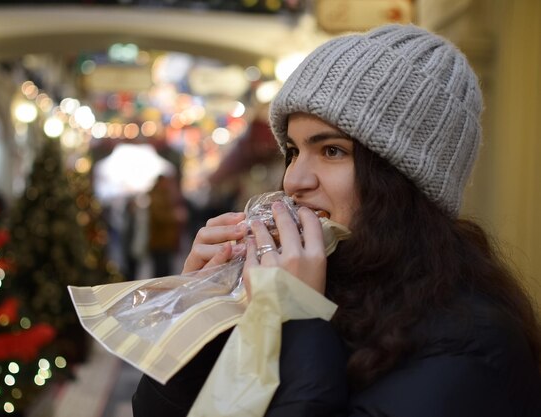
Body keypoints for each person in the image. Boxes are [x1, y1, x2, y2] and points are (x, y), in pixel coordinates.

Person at [132, 24, 541, 416]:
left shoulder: (472, 341)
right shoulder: (324, 279)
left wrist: (297, 315)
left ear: (402, 178)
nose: (294, 179)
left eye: (331, 151)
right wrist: (203, 309)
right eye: (293, 151)